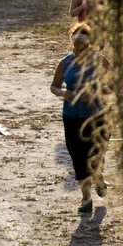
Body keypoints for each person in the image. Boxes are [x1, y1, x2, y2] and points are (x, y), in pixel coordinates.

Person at [49, 26, 105, 214]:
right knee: (78, 157)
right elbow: (54, 86)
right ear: (72, 41)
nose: (80, 46)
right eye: (77, 42)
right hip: (72, 117)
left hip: (97, 115)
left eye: (83, 43)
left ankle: (98, 175)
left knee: (96, 153)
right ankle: (86, 198)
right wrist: (63, 92)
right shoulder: (65, 63)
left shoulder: (99, 61)